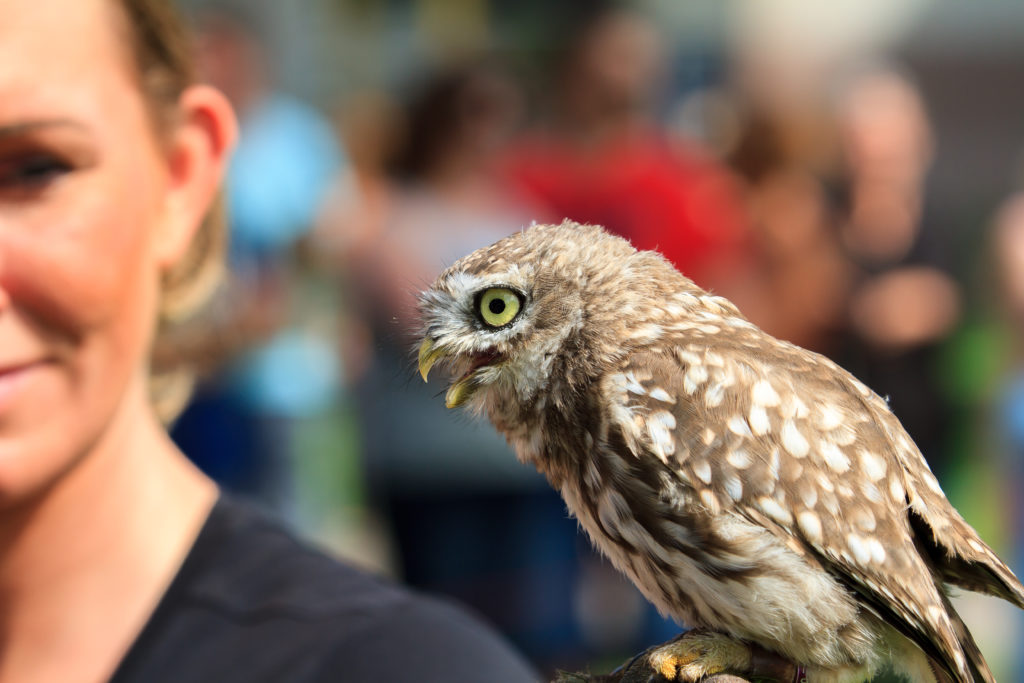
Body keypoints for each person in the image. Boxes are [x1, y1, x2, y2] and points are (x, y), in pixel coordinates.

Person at [0, 2, 538, 682]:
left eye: (34, 169)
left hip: (282, 385)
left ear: (180, 177)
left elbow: (339, 239)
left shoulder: (390, 666)